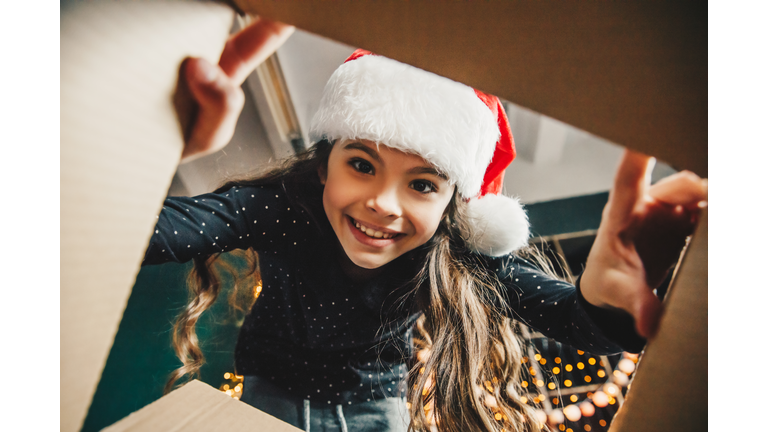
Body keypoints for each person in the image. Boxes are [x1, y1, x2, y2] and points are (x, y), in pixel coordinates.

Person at [142, 17, 708, 432]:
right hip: (266, 397)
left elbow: (578, 321)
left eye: (423, 184)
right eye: (361, 165)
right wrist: (153, 154)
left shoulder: (454, 249)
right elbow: (155, 232)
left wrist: (605, 303)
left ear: (451, 207)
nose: (384, 204)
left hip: (377, 412)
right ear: (323, 166)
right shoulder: (282, 208)